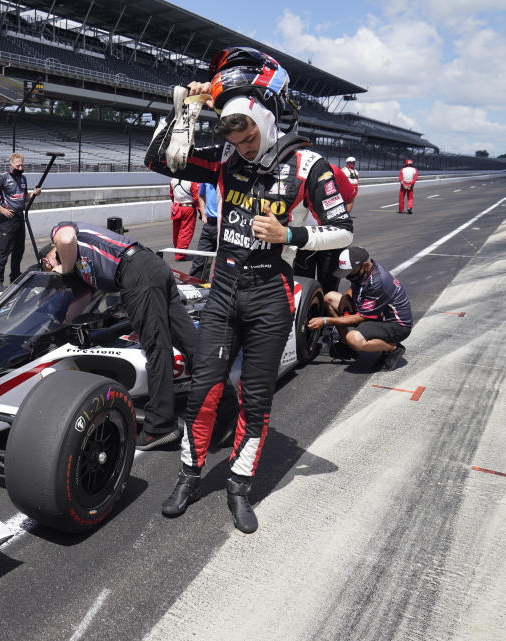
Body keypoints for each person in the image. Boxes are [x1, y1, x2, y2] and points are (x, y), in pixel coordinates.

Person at [144, 46, 354, 532]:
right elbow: (158, 158)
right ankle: (190, 475)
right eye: (231, 132)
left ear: (266, 117)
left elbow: (344, 230)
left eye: (247, 131)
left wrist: (292, 236)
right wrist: (188, 108)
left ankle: (239, 488)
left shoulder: (308, 165)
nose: (240, 142)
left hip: (270, 297)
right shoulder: (222, 155)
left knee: (256, 398)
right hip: (223, 291)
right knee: (204, 391)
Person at [41, 221, 196, 450]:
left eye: (49, 264)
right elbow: (79, 307)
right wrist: (56, 326)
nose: (52, 268)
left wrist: (62, 268)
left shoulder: (63, 232)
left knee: (157, 348)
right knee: (191, 344)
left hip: (136, 269)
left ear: (51, 253)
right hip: (148, 266)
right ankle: (226, 407)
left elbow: (65, 240)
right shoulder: (82, 271)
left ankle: (160, 427)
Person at [307, 246, 411, 370]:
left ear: (365, 266)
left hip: (396, 325)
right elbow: (355, 286)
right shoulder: (364, 271)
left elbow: (360, 318)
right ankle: (346, 346)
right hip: (377, 314)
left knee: (354, 339)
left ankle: (392, 348)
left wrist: (325, 321)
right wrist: (346, 295)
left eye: (349, 272)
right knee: (330, 298)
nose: (347, 276)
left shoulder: (378, 283)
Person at [290, 163, 358, 294]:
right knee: (302, 287)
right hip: (305, 239)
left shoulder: (334, 171)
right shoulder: (294, 171)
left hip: (331, 239)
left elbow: (349, 198)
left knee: (329, 288)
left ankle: (326, 314)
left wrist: (339, 221)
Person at [0, 153, 41, 292]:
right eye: (18, 165)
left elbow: (24, 198)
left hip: (20, 217)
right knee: (4, 251)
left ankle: (15, 276)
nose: (20, 167)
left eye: (22, 165)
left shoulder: (23, 178)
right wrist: (0, 209)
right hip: (7, 219)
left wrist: (34, 194)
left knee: (19, 249)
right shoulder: (2, 177)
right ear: (10, 165)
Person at [189, 182, 219, 279]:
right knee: (199, 260)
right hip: (209, 224)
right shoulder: (207, 178)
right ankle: (195, 285)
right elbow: (201, 195)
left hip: (224, 224)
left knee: (223, 264)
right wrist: (203, 212)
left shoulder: (228, 178)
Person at [169, 178, 201, 260]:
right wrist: (201, 210)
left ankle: (178, 251)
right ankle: (180, 255)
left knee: (176, 231)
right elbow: (196, 198)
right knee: (185, 231)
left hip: (176, 207)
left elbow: (172, 195)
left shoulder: (173, 180)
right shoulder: (192, 181)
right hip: (188, 208)